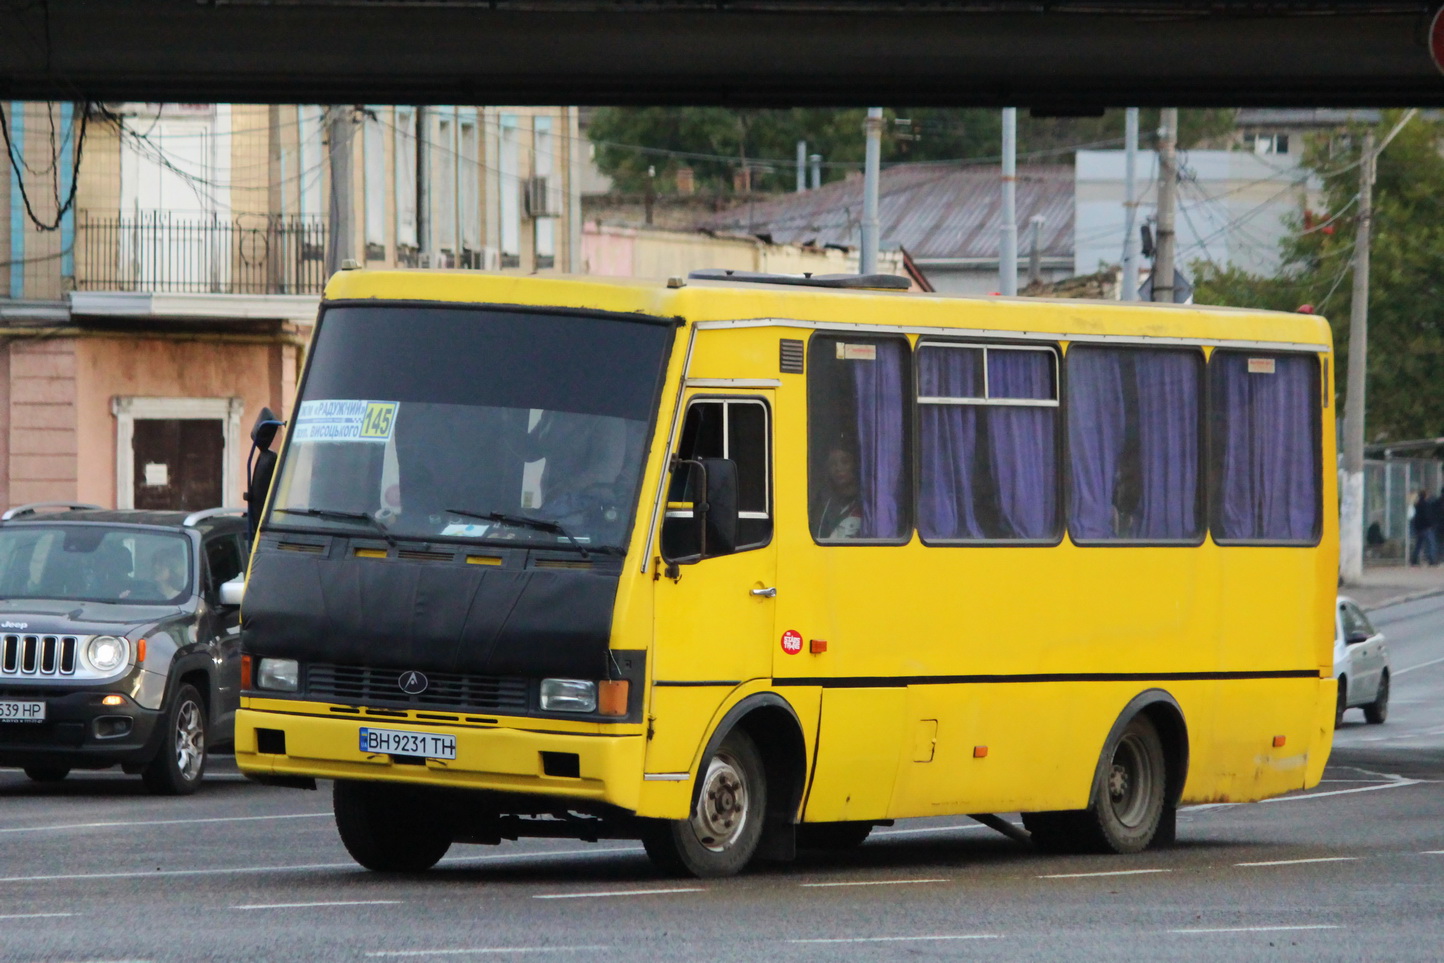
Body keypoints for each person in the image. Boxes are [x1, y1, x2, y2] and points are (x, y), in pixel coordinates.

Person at [814, 446, 863, 540]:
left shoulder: (867, 504)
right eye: (833, 464)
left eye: (845, 462)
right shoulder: (823, 504)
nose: (838, 468)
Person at [1409, 489, 1437, 566]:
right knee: (1430, 543)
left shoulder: (1417, 504)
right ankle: (1431, 559)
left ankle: (1414, 559)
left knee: (1419, 544)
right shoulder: (1426, 505)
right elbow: (1427, 516)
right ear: (1425, 495)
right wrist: (1431, 524)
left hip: (1419, 527)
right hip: (1426, 527)